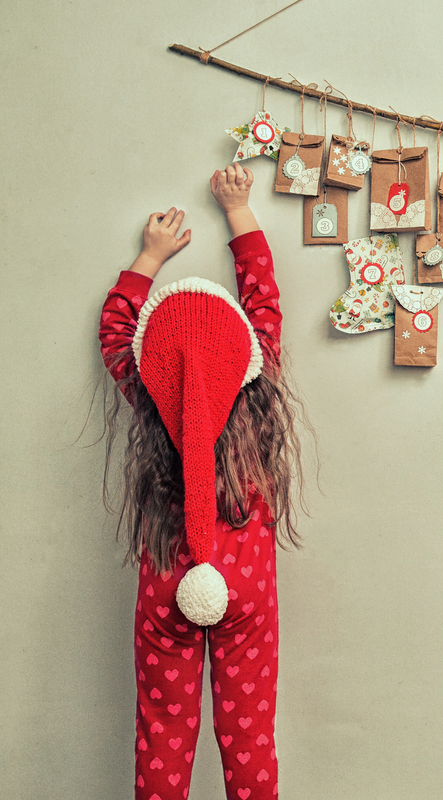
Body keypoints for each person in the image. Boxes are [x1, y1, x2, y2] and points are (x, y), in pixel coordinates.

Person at [99, 164, 304, 800]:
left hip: (169, 581)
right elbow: (264, 306)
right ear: (244, 357)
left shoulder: (147, 397)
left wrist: (150, 256)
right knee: (250, 737)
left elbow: (115, 331)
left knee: (162, 732)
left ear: (152, 366)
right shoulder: (258, 391)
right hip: (245, 586)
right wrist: (238, 209)